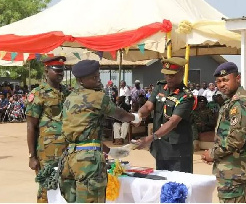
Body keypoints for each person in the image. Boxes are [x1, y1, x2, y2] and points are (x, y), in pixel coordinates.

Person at [59, 60, 139, 203]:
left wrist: (108, 150)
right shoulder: (97, 97)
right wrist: (136, 117)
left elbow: (85, 134)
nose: (98, 80)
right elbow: (120, 114)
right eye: (94, 77)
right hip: (88, 162)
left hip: (69, 158)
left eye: (98, 76)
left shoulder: (69, 99)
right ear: (81, 80)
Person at [201, 62, 246, 203]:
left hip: (234, 170)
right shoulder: (231, 102)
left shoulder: (240, 104)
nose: (221, 85)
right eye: (218, 81)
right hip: (231, 167)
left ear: (237, 78)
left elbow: (235, 140)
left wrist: (212, 154)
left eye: (226, 80)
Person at [135, 57, 195, 173]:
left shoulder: (186, 96)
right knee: (162, 183)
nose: (168, 78)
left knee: (179, 186)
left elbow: (172, 122)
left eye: (172, 75)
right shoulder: (160, 87)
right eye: (166, 75)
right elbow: (148, 106)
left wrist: (149, 138)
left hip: (178, 151)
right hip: (161, 147)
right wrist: (138, 115)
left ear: (182, 73)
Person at [26, 56, 70, 203]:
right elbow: (31, 126)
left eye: (62, 70)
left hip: (68, 150)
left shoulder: (67, 92)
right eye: (57, 70)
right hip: (47, 152)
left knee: (66, 187)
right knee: (46, 188)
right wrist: (32, 156)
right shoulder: (38, 94)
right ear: (46, 70)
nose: (60, 74)